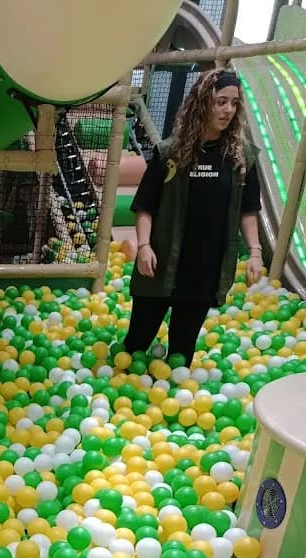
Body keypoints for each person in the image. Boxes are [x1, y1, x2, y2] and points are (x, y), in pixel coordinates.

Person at [122, 67, 264, 365]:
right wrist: (144, 246)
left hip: (203, 270)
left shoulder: (241, 158)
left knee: (180, 355)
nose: (228, 110)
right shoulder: (171, 153)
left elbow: (248, 211)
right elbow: (145, 205)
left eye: (234, 103)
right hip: (161, 264)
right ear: (202, 103)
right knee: (135, 345)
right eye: (220, 101)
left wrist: (255, 252)